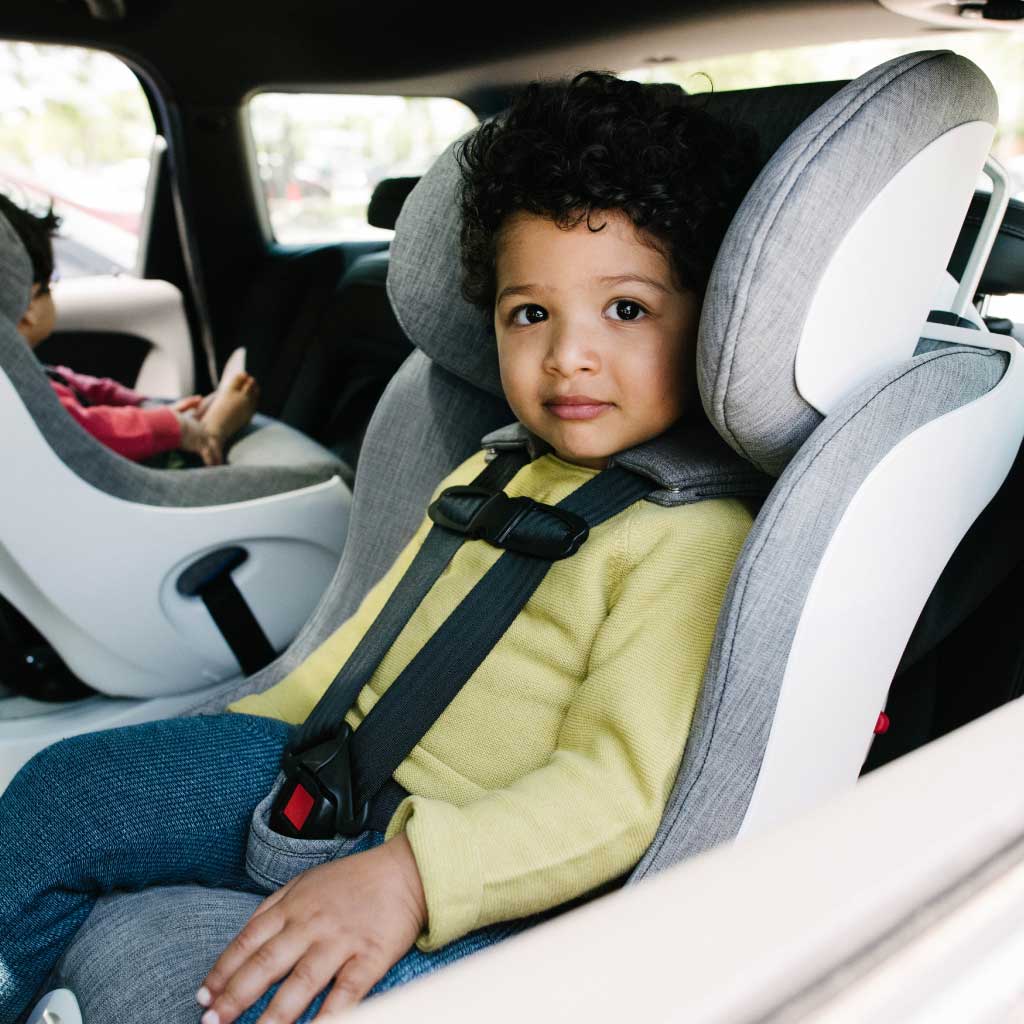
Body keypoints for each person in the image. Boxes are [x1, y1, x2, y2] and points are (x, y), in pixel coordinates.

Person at [0, 71, 759, 1024]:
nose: (568, 354)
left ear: (712, 324)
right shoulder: (489, 473)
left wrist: (412, 878)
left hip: (468, 869)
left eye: (626, 311)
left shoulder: (691, 537)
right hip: (330, 779)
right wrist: (235, 734)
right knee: (61, 791)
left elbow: (617, 791)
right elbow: (366, 645)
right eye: (531, 313)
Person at [0, 193, 259, 466]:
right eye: (51, 284)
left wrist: (149, 407)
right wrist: (177, 427)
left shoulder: (26, 378)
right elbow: (85, 431)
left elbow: (81, 386)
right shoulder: (25, 399)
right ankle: (208, 436)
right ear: (28, 304)